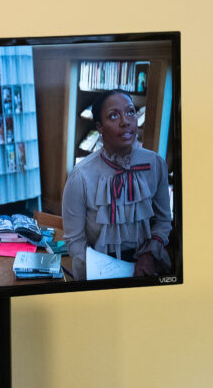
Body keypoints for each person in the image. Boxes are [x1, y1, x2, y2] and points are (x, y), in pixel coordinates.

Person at [61, 90, 173, 280]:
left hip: (147, 266)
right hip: (97, 270)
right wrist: (96, 273)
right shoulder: (80, 176)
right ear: (99, 127)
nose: (125, 121)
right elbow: (75, 240)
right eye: (113, 116)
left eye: (130, 112)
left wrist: (149, 255)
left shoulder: (155, 165)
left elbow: (163, 221)